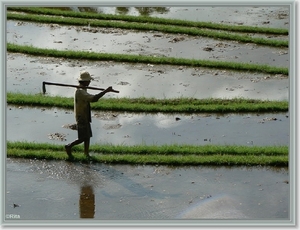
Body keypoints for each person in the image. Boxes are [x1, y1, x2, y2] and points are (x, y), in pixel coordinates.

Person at [65, 71, 114, 158]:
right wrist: (106, 91)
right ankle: (69, 146)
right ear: (85, 81)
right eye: (88, 81)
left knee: (87, 136)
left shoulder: (83, 89)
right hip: (81, 117)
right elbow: (93, 99)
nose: (90, 82)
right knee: (82, 138)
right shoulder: (80, 92)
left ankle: (86, 154)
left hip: (85, 115)